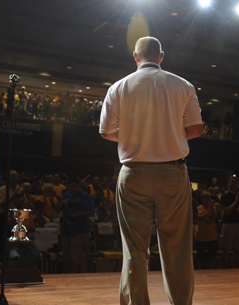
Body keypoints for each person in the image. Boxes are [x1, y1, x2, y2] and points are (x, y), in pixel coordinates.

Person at [99, 36, 202, 305]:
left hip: (133, 173)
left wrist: (134, 136)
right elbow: (195, 129)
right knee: (178, 249)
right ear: (161, 56)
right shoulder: (183, 85)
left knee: (134, 250)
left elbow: (107, 132)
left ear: (135, 57)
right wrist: (166, 135)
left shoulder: (118, 87)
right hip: (173, 173)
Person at [54, 177, 95, 273]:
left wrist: (77, 214)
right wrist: (62, 203)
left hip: (80, 230)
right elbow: (56, 209)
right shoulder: (66, 195)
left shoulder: (85, 196)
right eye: (70, 186)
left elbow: (91, 212)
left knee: (80, 258)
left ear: (78, 186)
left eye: (74, 186)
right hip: (67, 230)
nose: (72, 188)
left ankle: (82, 277)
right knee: (68, 258)